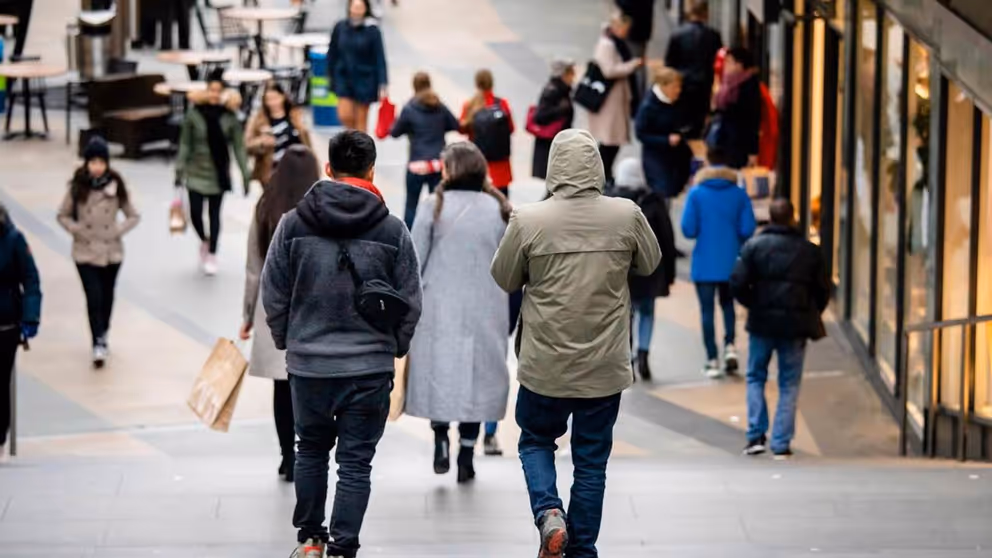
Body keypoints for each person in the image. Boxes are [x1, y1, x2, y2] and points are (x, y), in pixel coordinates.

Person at [491, 129, 661, 558]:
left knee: (535, 441)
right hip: (604, 365)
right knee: (591, 461)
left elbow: (504, 277)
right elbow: (650, 262)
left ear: (554, 168)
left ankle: (549, 512)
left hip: (544, 364)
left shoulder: (528, 219)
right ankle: (582, 549)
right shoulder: (626, 215)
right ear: (596, 167)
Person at [262, 130, 422, 558]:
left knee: (310, 450)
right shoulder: (392, 229)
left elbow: (272, 292)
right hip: (369, 368)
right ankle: (342, 548)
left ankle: (310, 540)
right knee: (355, 462)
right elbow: (412, 300)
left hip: (309, 364)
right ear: (371, 171)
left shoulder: (292, 224)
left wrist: (288, 339)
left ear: (329, 169)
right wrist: (394, 346)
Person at [405, 142, 512, 483]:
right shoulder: (499, 208)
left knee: (440, 372)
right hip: (487, 307)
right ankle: (467, 451)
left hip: (438, 307)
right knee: (478, 379)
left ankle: (440, 438)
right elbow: (512, 265)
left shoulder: (432, 206)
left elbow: (414, 261)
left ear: (450, 171)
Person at [240, 145, 320, 483]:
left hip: (273, 308)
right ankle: (307, 453)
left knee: (282, 386)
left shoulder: (266, 206)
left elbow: (253, 268)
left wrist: (248, 314)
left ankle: (287, 456)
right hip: (314, 306)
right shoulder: (321, 207)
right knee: (309, 387)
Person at [731, 198, 830, 459]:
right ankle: (781, 442)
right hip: (796, 324)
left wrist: (753, 304)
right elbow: (822, 289)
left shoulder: (754, 247)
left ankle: (755, 434)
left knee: (755, 376)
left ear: (771, 218)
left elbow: (738, 282)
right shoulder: (809, 251)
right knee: (789, 383)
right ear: (793, 218)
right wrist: (810, 311)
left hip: (762, 322)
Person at [57, 137, 140, 368]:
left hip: (112, 252)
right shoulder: (77, 186)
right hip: (85, 252)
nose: (97, 167)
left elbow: (133, 215)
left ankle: (103, 332)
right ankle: (98, 341)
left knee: (107, 296)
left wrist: (117, 230)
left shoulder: (116, 185)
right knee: (93, 297)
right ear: (86, 163)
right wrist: (77, 230)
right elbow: (62, 215)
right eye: (92, 162)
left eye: (101, 162)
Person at [680, 146, 756, 379]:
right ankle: (730, 346)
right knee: (728, 305)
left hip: (704, 262)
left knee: (707, 311)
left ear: (707, 162)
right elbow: (747, 228)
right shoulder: (739, 193)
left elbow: (688, 229)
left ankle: (711, 358)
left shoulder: (696, 193)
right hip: (731, 261)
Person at [175, 70, 249, 276]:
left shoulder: (230, 117)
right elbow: (185, 144)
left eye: (219, 90)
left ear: (224, 93)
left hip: (218, 173)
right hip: (195, 171)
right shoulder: (193, 115)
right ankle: (205, 240)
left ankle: (213, 253)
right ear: (206, 91)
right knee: (195, 214)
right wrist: (179, 169)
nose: (214, 94)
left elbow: (239, 147)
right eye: (211, 90)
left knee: (214, 215)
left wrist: (245, 174)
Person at [611, 158, 677, 381]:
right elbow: (667, 240)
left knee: (625, 315)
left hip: (621, 271)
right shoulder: (654, 202)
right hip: (650, 269)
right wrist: (669, 274)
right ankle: (644, 355)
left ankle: (628, 357)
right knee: (647, 313)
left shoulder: (610, 202)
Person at [390, 71, 459, 228]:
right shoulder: (439, 106)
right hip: (437, 164)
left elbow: (395, 132)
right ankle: (437, 234)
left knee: (411, 205)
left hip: (417, 164)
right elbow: (455, 124)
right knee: (438, 205)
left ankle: (409, 237)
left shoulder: (409, 108)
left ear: (414, 87)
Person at [0, 202, 40, 459]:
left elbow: (30, 279)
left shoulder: (13, 240)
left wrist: (30, 317)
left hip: (6, 323)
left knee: (0, 382)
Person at [587, 11, 643, 186]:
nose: (627, 32)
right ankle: (603, 175)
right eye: (625, 28)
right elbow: (609, 70)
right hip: (609, 101)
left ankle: (605, 174)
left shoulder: (615, 42)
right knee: (610, 140)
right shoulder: (608, 44)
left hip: (615, 98)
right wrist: (632, 65)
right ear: (617, 27)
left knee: (613, 140)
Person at [664, 0, 723, 138]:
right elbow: (718, 60)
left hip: (683, 81)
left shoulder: (677, 34)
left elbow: (670, 62)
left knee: (682, 119)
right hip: (704, 82)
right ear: (706, 14)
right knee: (699, 120)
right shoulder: (713, 35)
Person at [634, 65, 693, 200]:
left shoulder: (678, 100)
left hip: (677, 154)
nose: (678, 90)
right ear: (663, 86)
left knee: (675, 188)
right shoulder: (648, 107)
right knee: (663, 190)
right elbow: (641, 134)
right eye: (675, 87)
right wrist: (666, 140)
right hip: (656, 156)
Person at [328, 0, 388, 132]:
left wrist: (383, 83)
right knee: (344, 114)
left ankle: (360, 142)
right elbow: (332, 52)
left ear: (366, 9)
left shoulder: (372, 30)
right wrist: (330, 75)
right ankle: (351, 136)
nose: (357, 11)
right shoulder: (340, 27)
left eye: (360, 7)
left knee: (361, 119)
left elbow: (379, 57)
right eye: (354, 7)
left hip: (365, 79)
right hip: (344, 76)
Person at [246, 82, 314, 190]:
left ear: (283, 96)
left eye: (275, 98)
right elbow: (247, 145)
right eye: (268, 99)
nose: (272, 103)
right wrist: (262, 142)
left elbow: (307, 143)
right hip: (271, 172)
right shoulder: (258, 119)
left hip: (296, 170)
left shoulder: (296, 115)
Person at [460, 69, 515, 195]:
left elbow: (462, 129)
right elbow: (511, 128)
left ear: (476, 84)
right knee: (501, 201)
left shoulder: (469, 105)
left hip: (478, 163)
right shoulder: (502, 103)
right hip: (501, 164)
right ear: (492, 83)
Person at [708, 46, 762, 169]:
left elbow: (752, 119)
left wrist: (753, 151)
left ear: (740, 65)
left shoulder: (749, 85)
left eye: (729, 62)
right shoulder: (727, 81)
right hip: (721, 139)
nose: (725, 65)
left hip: (738, 142)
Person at [530, 59, 576, 180]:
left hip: (557, 144)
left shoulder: (564, 89)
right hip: (549, 146)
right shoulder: (553, 91)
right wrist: (560, 110)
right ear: (563, 74)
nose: (574, 76)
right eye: (571, 72)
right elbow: (539, 116)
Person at [615, 0, 655, 95]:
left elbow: (627, 5)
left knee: (636, 63)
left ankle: (637, 92)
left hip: (635, 30)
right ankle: (637, 90)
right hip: (642, 28)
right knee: (637, 62)